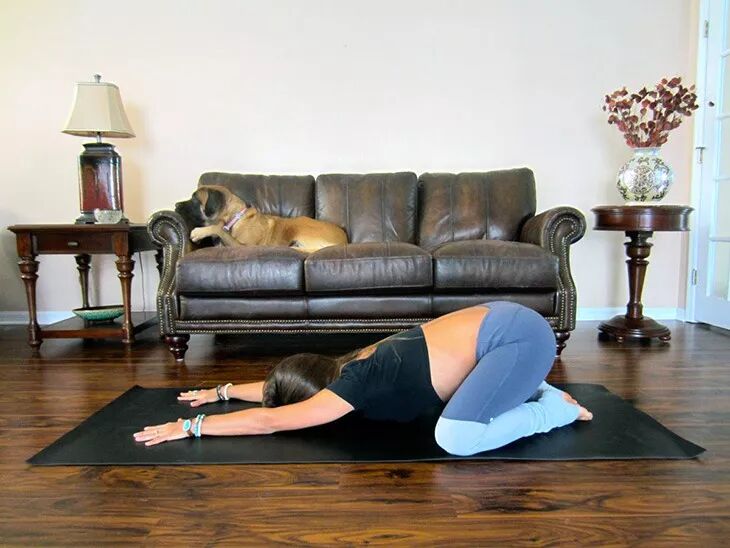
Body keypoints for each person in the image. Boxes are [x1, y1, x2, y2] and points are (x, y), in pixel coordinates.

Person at [134, 302, 592, 455]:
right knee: (457, 401)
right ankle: (532, 384)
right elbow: (277, 389)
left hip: (521, 340)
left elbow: (270, 419)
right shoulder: (350, 362)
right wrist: (222, 391)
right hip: (507, 328)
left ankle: (552, 408)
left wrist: (190, 426)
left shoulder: (353, 385)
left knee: (455, 437)